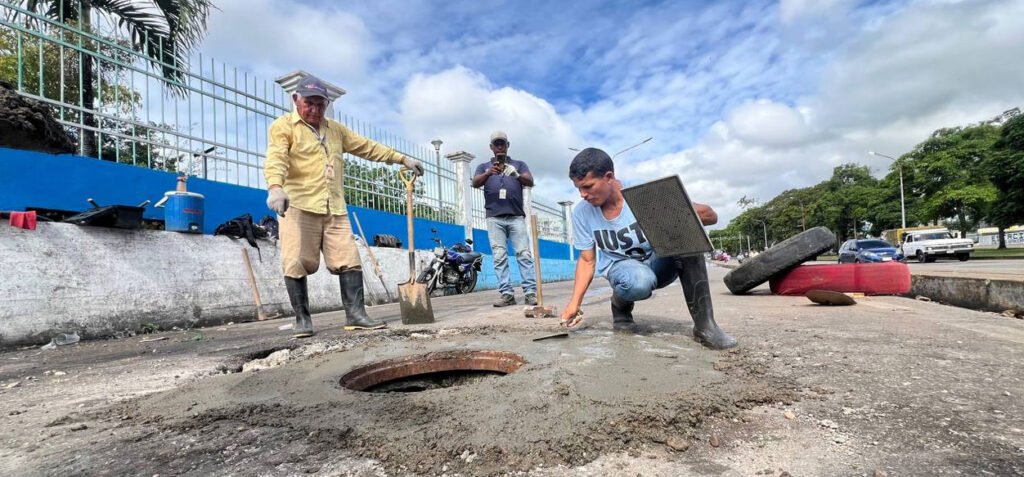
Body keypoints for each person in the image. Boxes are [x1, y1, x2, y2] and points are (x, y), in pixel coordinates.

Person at [264, 75, 424, 338]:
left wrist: (401, 158)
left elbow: (367, 147)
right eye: (309, 104)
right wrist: (275, 187)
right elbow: (276, 158)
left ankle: (356, 315)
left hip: (334, 207)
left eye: (320, 105)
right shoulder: (283, 127)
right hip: (299, 206)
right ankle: (302, 320)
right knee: (295, 261)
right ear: (296, 99)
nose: (315, 110)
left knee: (349, 258)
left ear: (327, 104)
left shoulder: (336, 130)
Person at [559, 148, 737, 350]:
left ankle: (706, 326)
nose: (583, 195)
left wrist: (678, 211)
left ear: (608, 177)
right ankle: (620, 305)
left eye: (588, 186)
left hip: (659, 261)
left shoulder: (644, 196)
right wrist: (574, 304)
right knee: (639, 281)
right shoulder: (582, 213)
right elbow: (587, 260)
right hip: (624, 269)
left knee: (688, 235)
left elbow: (711, 216)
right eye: (578, 189)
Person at [471, 131, 538, 307]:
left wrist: (516, 175)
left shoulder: (519, 164)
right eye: (496, 144)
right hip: (494, 217)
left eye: (502, 143)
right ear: (491, 147)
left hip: (516, 216)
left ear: (508, 146)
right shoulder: (483, 167)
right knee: (499, 256)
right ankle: (507, 294)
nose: (500, 146)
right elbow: (475, 183)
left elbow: (530, 181)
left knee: (524, 254)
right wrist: (488, 173)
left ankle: (530, 293)